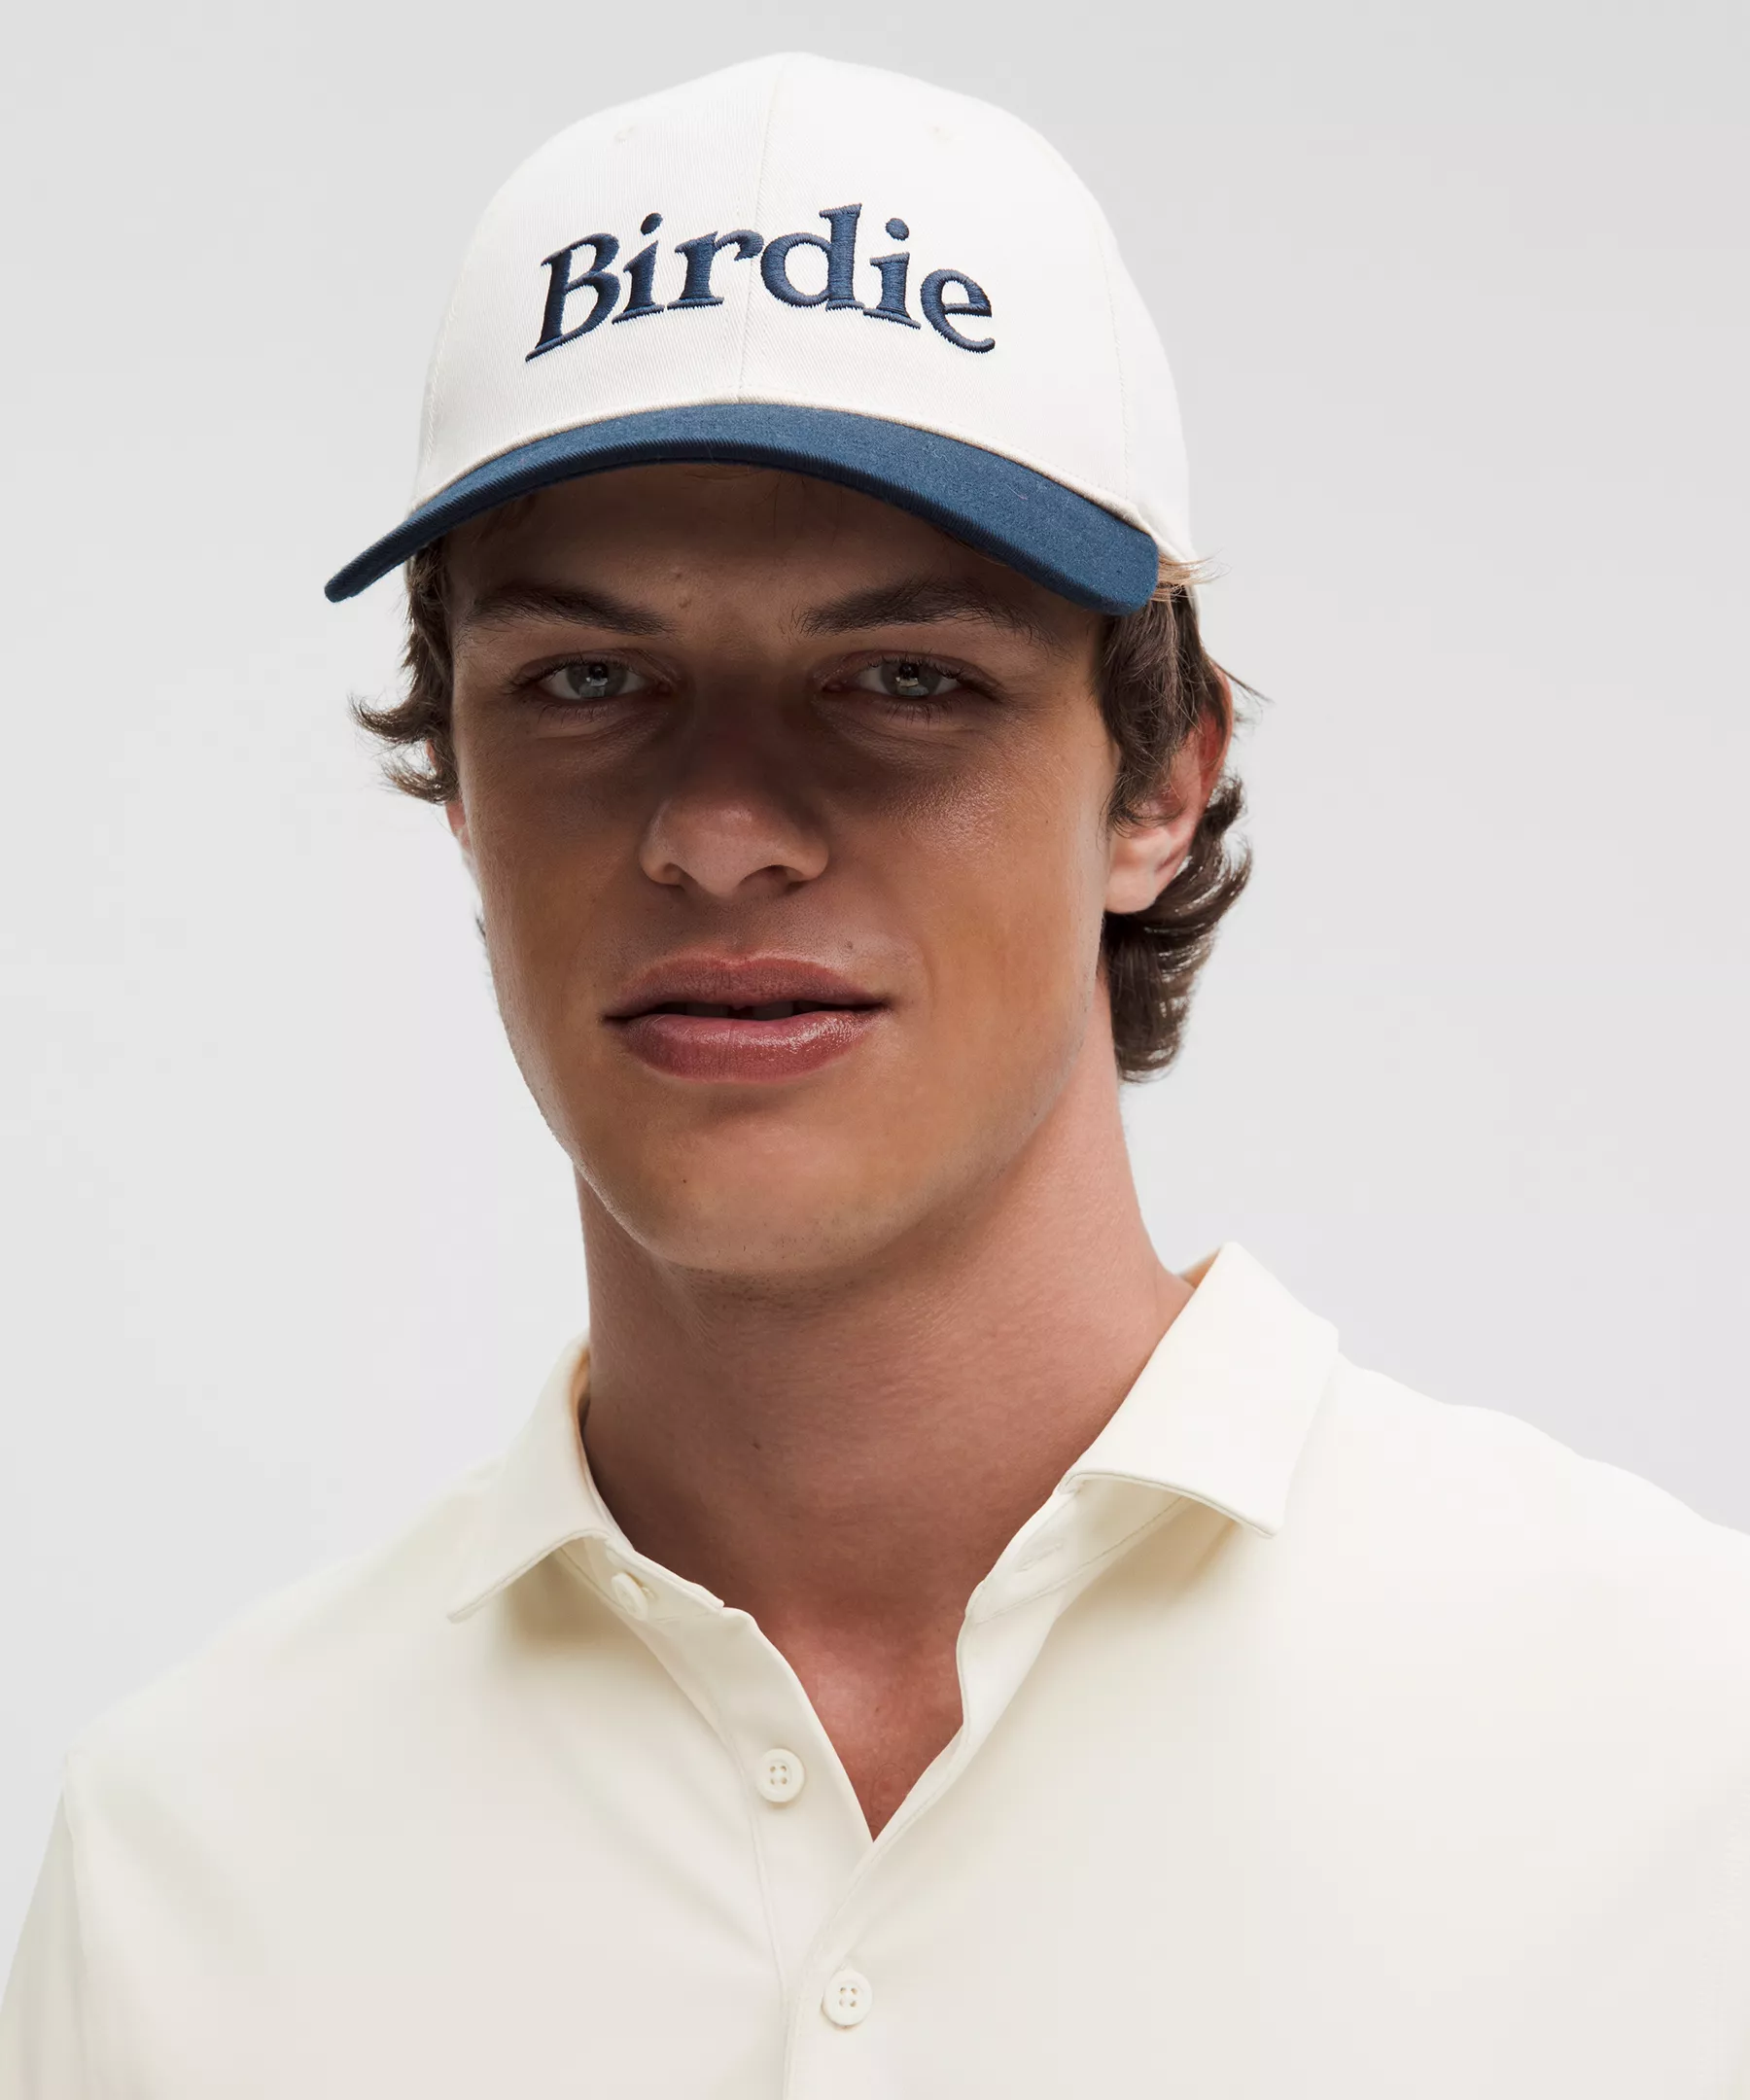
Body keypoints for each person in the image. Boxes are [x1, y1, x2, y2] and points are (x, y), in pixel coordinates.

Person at [5, 50, 1749, 2098]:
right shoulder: (190, 1872)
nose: (720, 830)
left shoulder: (1675, 1761)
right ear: (456, 782)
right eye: (588, 680)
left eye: (906, 680)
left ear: (1160, 783)